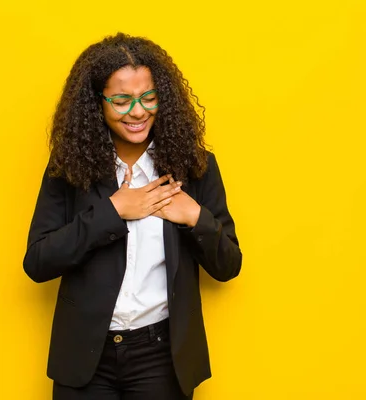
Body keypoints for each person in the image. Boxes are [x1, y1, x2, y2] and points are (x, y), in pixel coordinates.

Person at [23, 32, 242, 400]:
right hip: (85, 357)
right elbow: (38, 262)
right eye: (122, 100)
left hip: (161, 357)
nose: (138, 111)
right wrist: (112, 212)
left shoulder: (195, 167)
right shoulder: (69, 170)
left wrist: (194, 216)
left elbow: (229, 265)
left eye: (148, 97)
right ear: (98, 103)